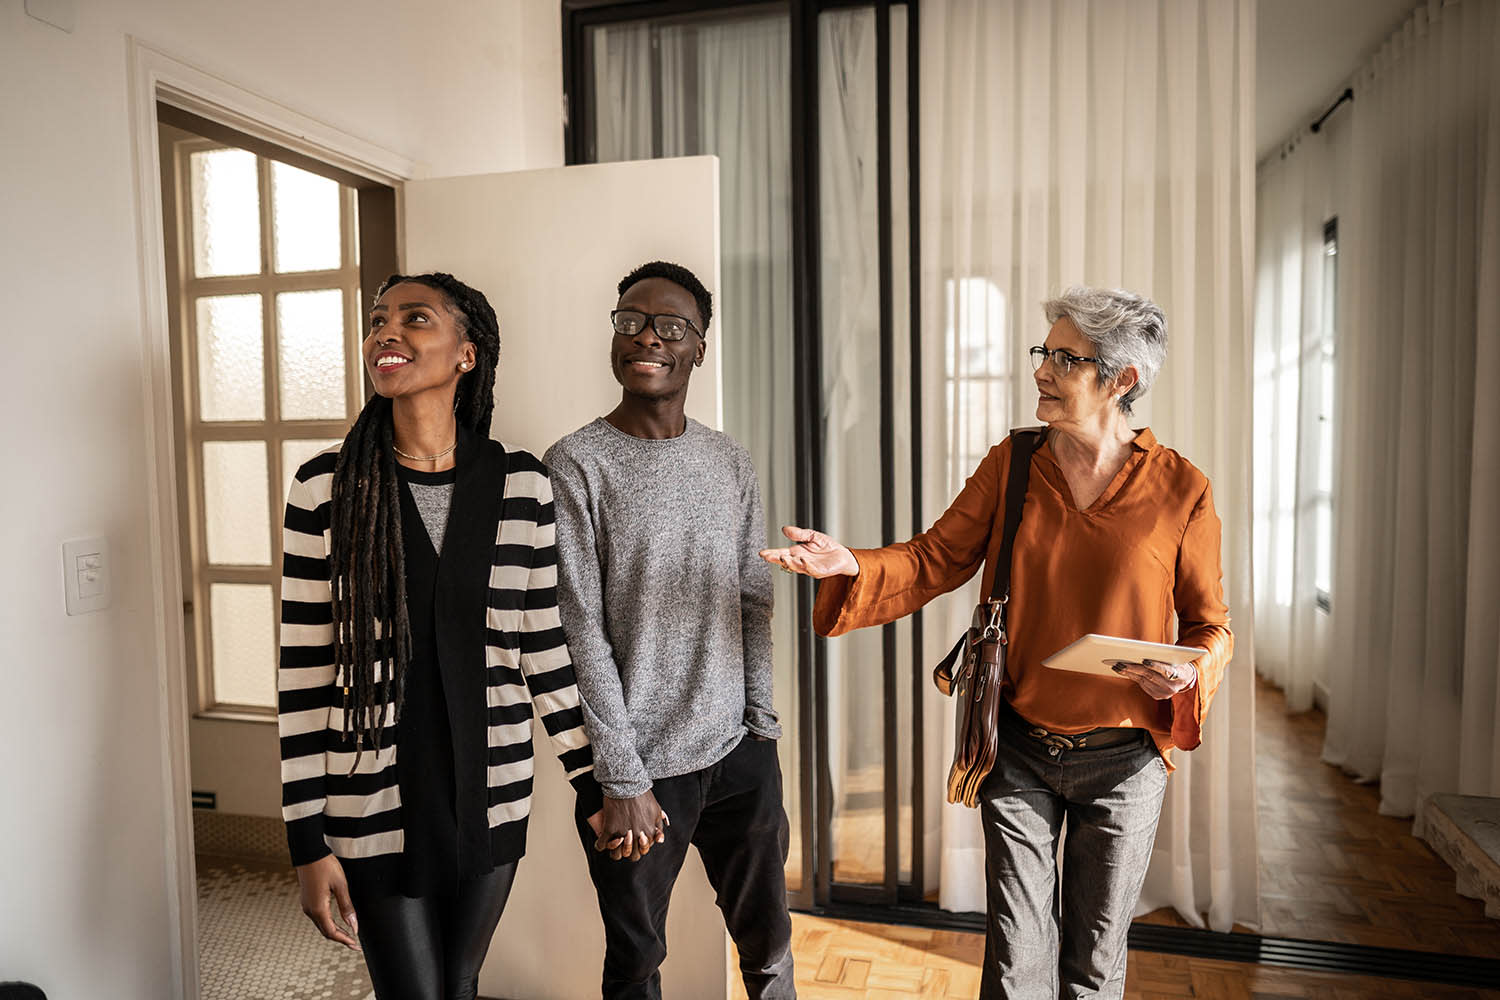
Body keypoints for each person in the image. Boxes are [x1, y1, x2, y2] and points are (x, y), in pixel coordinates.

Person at [762, 286, 1233, 1000]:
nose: (1041, 370)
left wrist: (1190, 673)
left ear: (1123, 379)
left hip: (1127, 761)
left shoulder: (1181, 490)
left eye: (1065, 358)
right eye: (1043, 352)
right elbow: (931, 559)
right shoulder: (1012, 465)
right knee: (1015, 962)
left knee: (1095, 964)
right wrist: (851, 564)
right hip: (1018, 748)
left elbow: (1210, 625)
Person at [277, 272, 612, 1000]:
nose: (386, 333)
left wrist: (595, 782)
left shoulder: (521, 482)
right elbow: (303, 672)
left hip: (491, 793)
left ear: (467, 354)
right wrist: (307, 840)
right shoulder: (325, 488)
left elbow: (543, 649)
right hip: (369, 801)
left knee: (458, 987)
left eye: (415, 318)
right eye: (376, 321)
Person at [545, 261, 795, 1000]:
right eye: (630, 321)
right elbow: (579, 629)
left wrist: (762, 726)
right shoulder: (577, 463)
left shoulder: (727, 459)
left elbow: (751, 597)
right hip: (639, 772)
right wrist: (619, 777)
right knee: (635, 963)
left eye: (670, 325)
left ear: (699, 347)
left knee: (770, 950)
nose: (646, 336)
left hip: (738, 754)